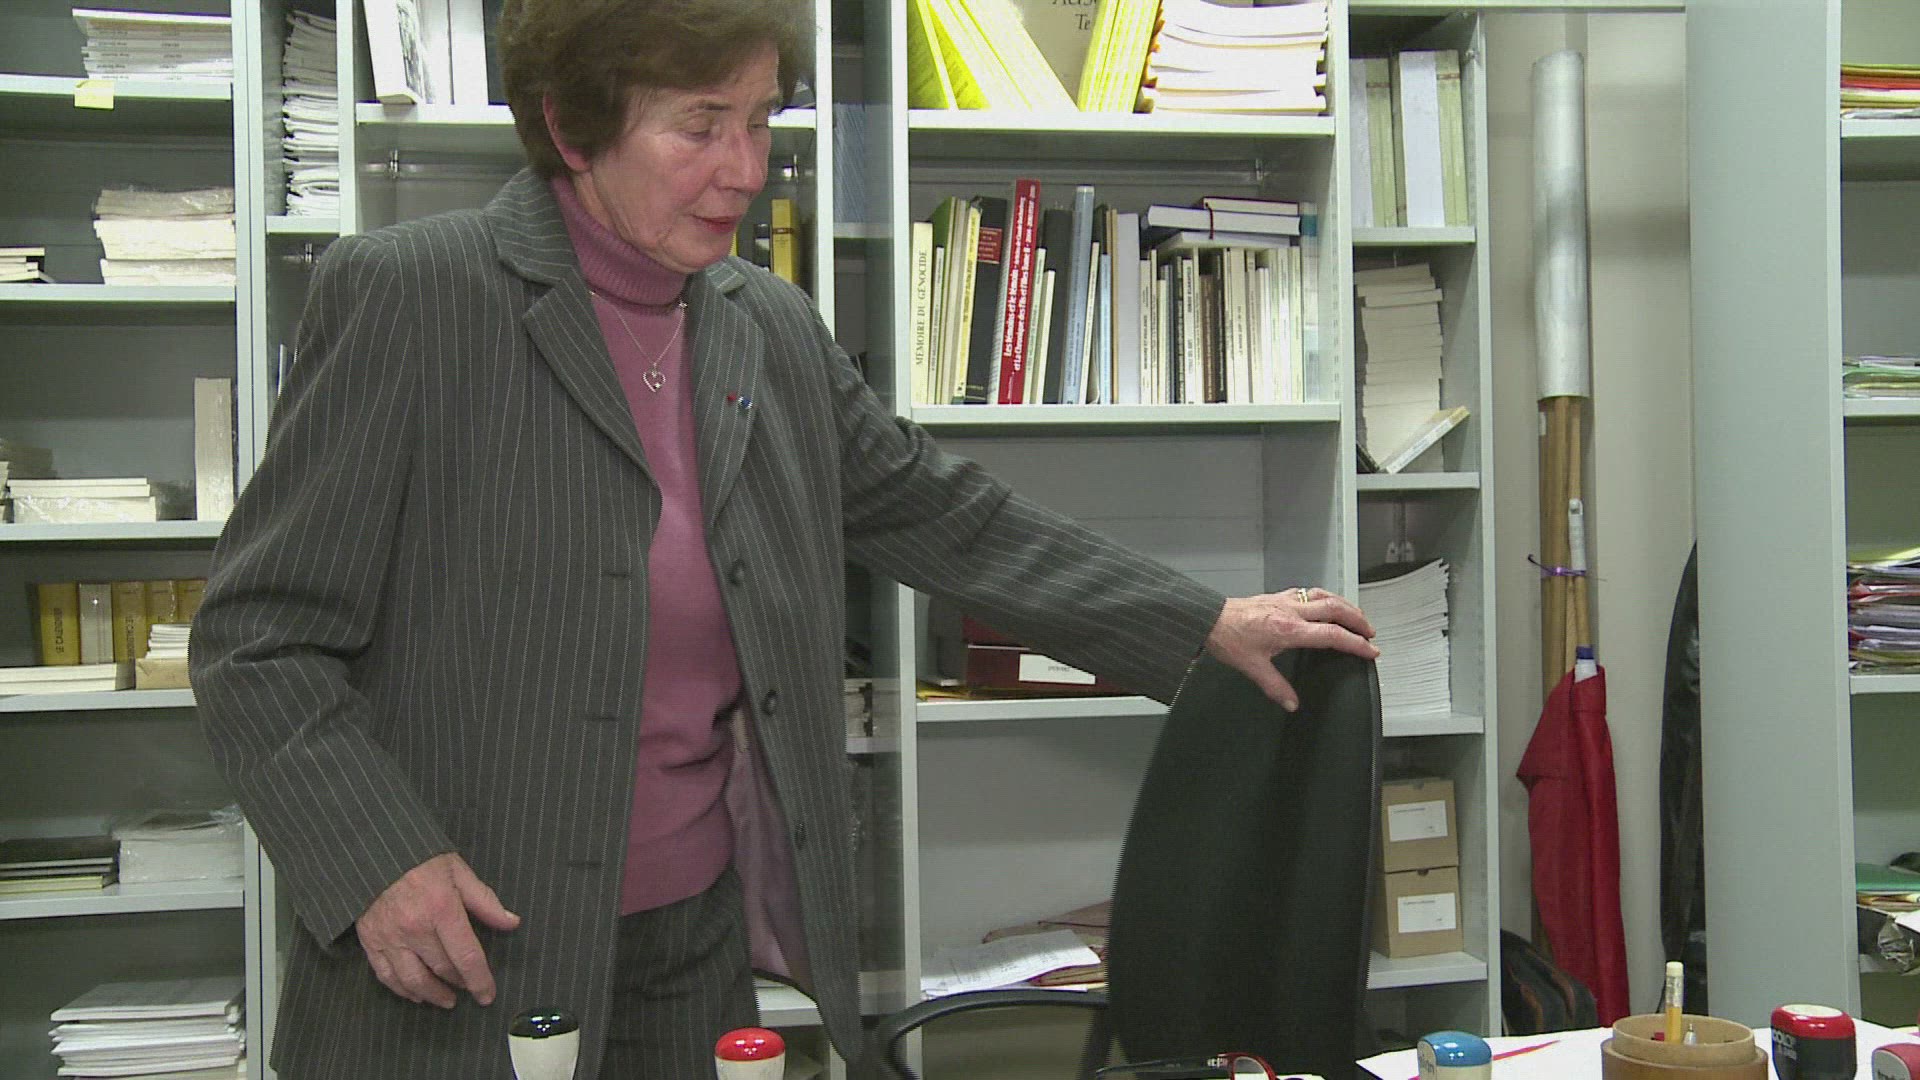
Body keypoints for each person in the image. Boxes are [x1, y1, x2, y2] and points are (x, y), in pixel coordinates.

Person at [188, 1, 1378, 1077]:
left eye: (759, 121)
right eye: (700, 125)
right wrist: (377, 862)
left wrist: (1203, 620)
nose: (746, 169)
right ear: (570, 125)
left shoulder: (769, 328)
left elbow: (948, 514)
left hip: (689, 952)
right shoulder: (414, 295)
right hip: (461, 960)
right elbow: (256, 637)